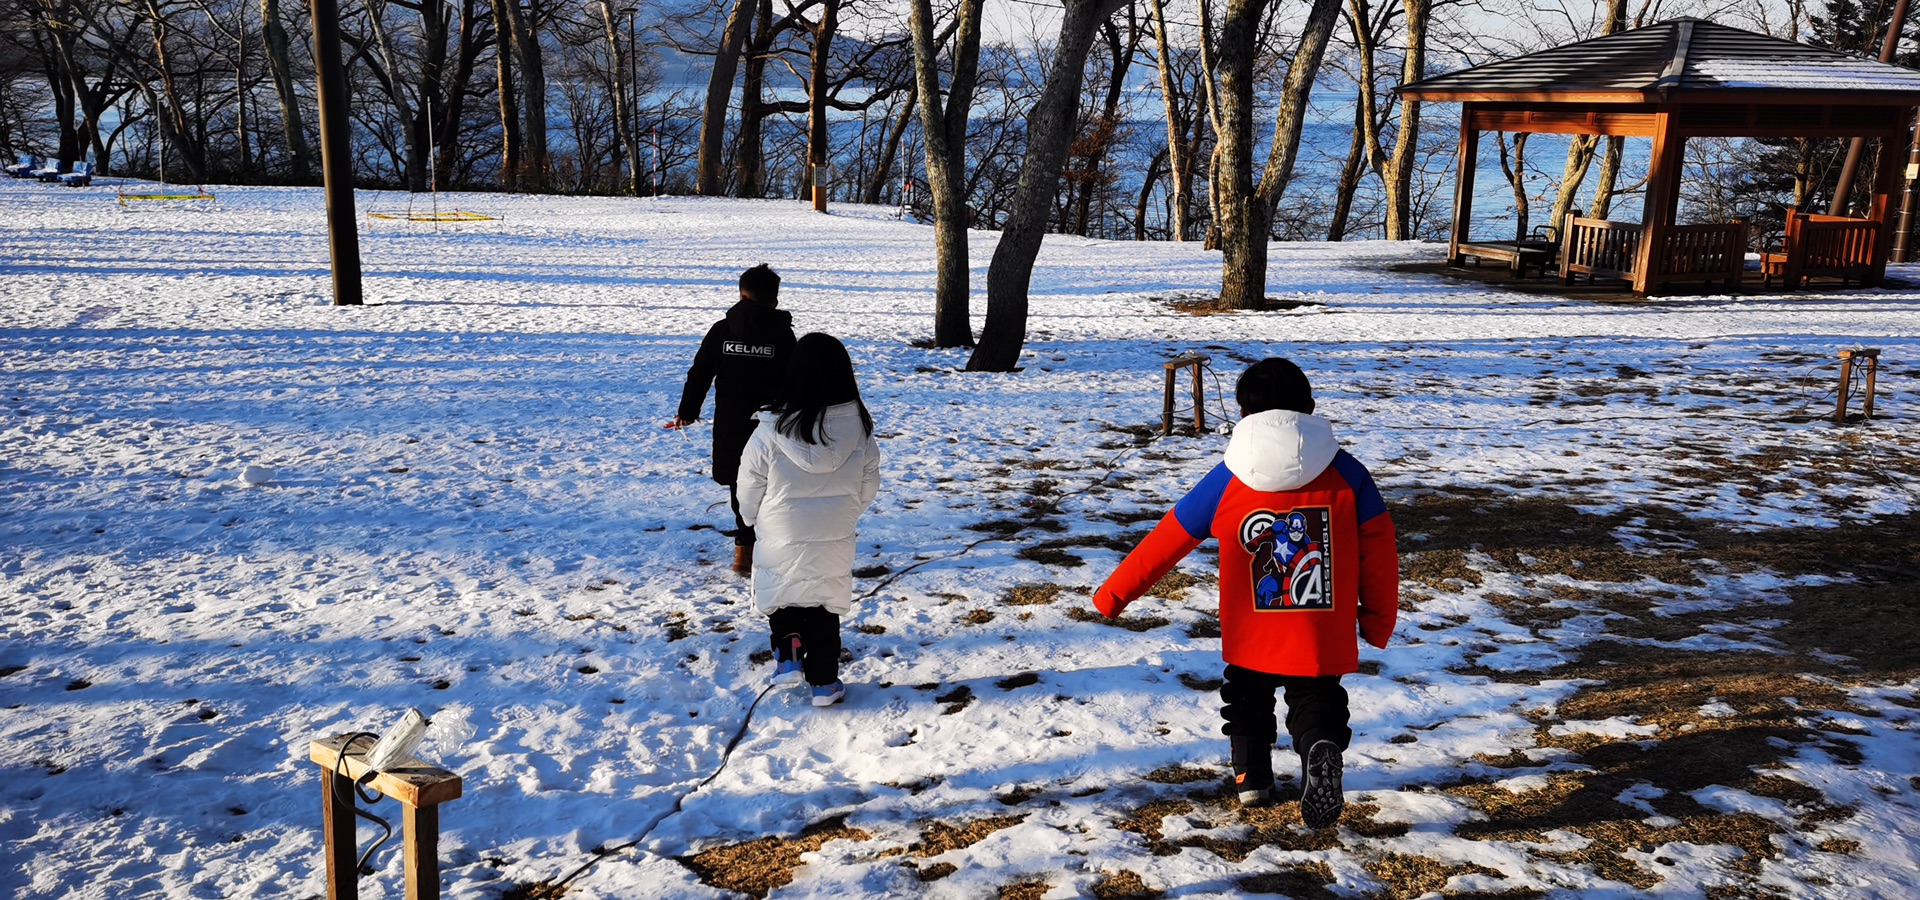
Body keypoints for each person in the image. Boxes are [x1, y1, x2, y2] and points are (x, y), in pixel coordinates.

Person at [1089, 358, 1399, 828]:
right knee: (1316, 694)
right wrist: (1376, 620)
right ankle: (1320, 742)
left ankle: (1252, 777)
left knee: (1247, 697)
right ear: (1311, 407)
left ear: (1241, 413)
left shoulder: (1228, 476)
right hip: (1320, 625)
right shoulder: (1349, 474)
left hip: (1251, 623)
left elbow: (1169, 539)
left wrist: (1113, 594)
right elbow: (1380, 553)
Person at [734, 332, 881, 707]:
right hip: (834, 529)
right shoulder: (860, 430)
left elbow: (748, 483)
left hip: (781, 528)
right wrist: (847, 513)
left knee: (783, 591)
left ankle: (787, 653)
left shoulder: (769, 430)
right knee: (823, 601)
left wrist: (750, 519)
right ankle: (824, 682)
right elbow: (869, 483)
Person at [671, 264, 796, 575]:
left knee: (741, 485)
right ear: (775, 301)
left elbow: (699, 373)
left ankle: (744, 551)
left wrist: (687, 411)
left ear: (741, 295)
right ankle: (773, 544)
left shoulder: (721, 331)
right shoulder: (784, 335)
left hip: (732, 424)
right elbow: (796, 380)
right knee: (774, 483)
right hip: (773, 427)